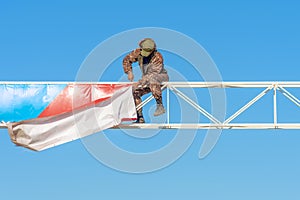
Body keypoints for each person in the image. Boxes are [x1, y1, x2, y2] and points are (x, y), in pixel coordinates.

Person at [123, 38, 169, 123]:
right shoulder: (138, 52)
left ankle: (159, 105)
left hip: (160, 77)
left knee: (152, 79)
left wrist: (139, 82)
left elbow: (153, 73)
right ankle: (139, 117)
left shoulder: (157, 57)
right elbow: (126, 60)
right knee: (135, 92)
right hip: (146, 79)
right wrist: (129, 71)